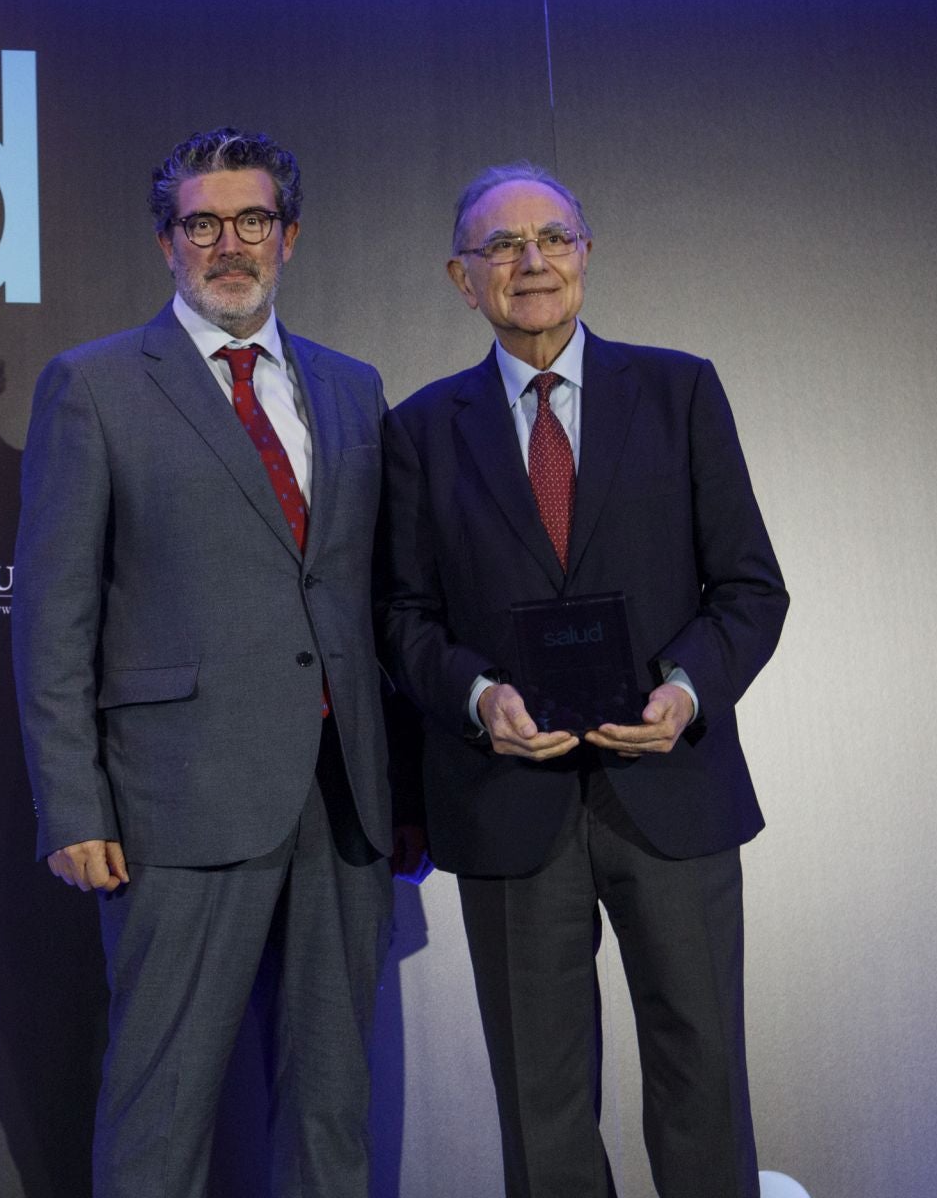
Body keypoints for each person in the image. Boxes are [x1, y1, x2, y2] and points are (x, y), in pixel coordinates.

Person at [12, 127, 422, 1198]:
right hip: (173, 800)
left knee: (333, 1109)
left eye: (251, 221)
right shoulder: (94, 386)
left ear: (289, 237)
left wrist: (411, 791)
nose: (227, 243)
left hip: (344, 803)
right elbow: (52, 619)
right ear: (167, 243)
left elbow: (380, 601)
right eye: (203, 222)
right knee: (161, 1111)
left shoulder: (351, 386)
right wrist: (73, 803)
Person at [384, 162, 789, 1197]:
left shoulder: (681, 387)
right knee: (542, 1104)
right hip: (508, 802)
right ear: (459, 276)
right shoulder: (422, 430)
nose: (531, 262)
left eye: (553, 238)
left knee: (705, 1083)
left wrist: (686, 692)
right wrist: (481, 700)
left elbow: (749, 589)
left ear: (587, 254)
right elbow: (404, 618)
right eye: (503, 246)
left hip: (673, 793)